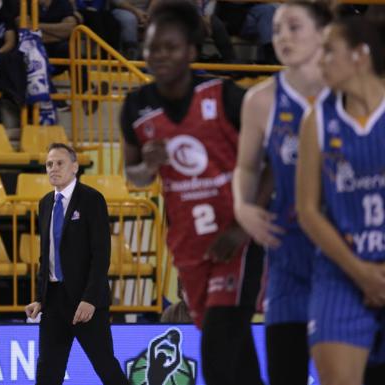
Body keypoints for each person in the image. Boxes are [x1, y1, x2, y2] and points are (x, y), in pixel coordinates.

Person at [120, 1, 264, 385]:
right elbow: (132, 175)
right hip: (190, 245)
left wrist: (242, 226)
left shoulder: (226, 97)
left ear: (191, 51)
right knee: (234, 343)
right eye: (152, 48)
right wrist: (147, 165)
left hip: (234, 239)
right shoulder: (136, 106)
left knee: (218, 343)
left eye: (169, 47)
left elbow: (270, 165)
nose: (159, 55)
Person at [232, 2, 333, 384]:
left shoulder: (354, 92)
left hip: (348, 253)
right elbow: (246, 167)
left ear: (324, 33)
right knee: (285, 371)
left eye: (294, 27)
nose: (283, 37)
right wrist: (243, 207)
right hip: (289, 253)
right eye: (276, 29)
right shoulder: (260, 100)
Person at [296, 12, 385, 385]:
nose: (320, 61)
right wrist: (363, 273)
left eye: (329, 51)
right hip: (341, 271)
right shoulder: (316, 121)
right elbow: (308, 210)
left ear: (360, 55)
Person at [25, 143, 128, 385]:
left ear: (75, 166)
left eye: (59, 163)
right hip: (54, 302)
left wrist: (90, 298)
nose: (53, 168)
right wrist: (40, 297)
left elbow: (101, 254)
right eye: (49, 164)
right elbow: (46, 255)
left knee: (105, 366)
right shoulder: (44, 203)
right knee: (48, 372)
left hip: (85, 301)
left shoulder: (92, 199)